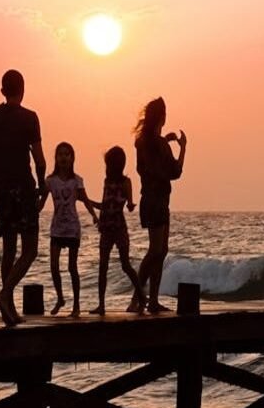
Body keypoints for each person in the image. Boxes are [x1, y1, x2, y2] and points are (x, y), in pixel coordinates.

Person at [0, 69, 45, 326]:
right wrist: (43, 186)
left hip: (0, 188)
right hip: (23, 187)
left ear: (2, 90)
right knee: (30, 249)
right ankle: (5, 295)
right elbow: (39, 159)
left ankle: (9, 309)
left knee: (9, 248)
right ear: (23, 89)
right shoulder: (30, 118)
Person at [133, 98, 186, 314]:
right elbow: (175, 172)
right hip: (158, 200)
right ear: (162, 117)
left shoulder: (144, 142)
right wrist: (183, 147)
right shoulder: (157, 144)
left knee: (161, 250)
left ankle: (150, 299)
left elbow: (148, 165)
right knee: (156, 250)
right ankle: (139, 297)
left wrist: (166, 140)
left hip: (153, 200)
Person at [38, 142, 98, 316]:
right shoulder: (50, 181)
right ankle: (60, 298)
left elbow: (85, 200)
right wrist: (31, 213)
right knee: (54, 266)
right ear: (56, 158)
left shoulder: (76, 180)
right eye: (60, 154)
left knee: (72, 267)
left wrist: (94, 216)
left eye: (67, 154)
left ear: (72, 158)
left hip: (72, 229)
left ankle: (76, 305)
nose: (64, 157)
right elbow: (41, 203)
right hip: (57, 229)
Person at [89, 146, 145, 316]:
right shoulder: (107, 181)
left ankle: (141, 296)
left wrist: (130, 204)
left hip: (119, 227)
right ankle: (101, 305)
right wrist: (92, 207)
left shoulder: (125, 182)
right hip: (106, 227)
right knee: (103, 266)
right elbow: (104, 205)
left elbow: (128, 205)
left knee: (126, 264)